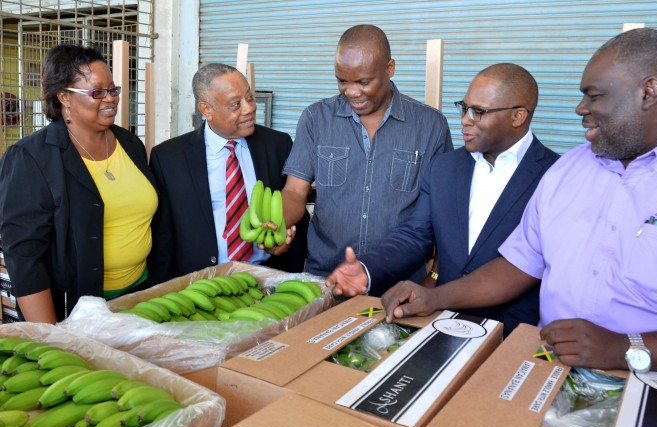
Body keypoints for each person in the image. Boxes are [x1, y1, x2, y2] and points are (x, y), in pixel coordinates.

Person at [382, 28, 657, 374]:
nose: (581, 108)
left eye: (594, 96)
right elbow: (516, 267)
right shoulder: (569, 170)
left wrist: (625, 348)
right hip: (547, 369)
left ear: (648, 92)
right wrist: (435, 297)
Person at [326, 63, 559, 335]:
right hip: (441, 322)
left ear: (518, 116)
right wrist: (367, 269)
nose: (465, 119)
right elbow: (414, 235)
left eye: (479, 112)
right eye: (464, 107)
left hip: (514, 334)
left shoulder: (556, 175)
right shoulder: (443, 168)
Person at [0, 44, 158, 323]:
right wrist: (51, 336)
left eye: (113, 90)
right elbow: (24, 257)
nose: (110, 99)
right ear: (65, 97)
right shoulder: (31, 158)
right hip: (76, 309)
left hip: (141, 295)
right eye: (97, 92)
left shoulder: (130, 144)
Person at [280, 24, 453, 280]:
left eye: (363, 82)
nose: (352, 92)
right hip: (326, 277)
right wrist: (277, 223)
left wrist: (436, 276)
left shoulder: (430, 126)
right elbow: (295, 190)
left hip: (401, 282)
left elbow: (444, 208)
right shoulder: (316, 119)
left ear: (389, 68)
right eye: (342, 81)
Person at [148, 63, 309, 284]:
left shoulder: (277, 144)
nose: (249, 108)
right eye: (236, 104)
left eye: (250, 98)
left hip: (268, 278)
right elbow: (163, 239)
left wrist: (287, 241)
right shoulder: (169, 158)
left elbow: (297, 209)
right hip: (200, 285)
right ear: (206, 109)